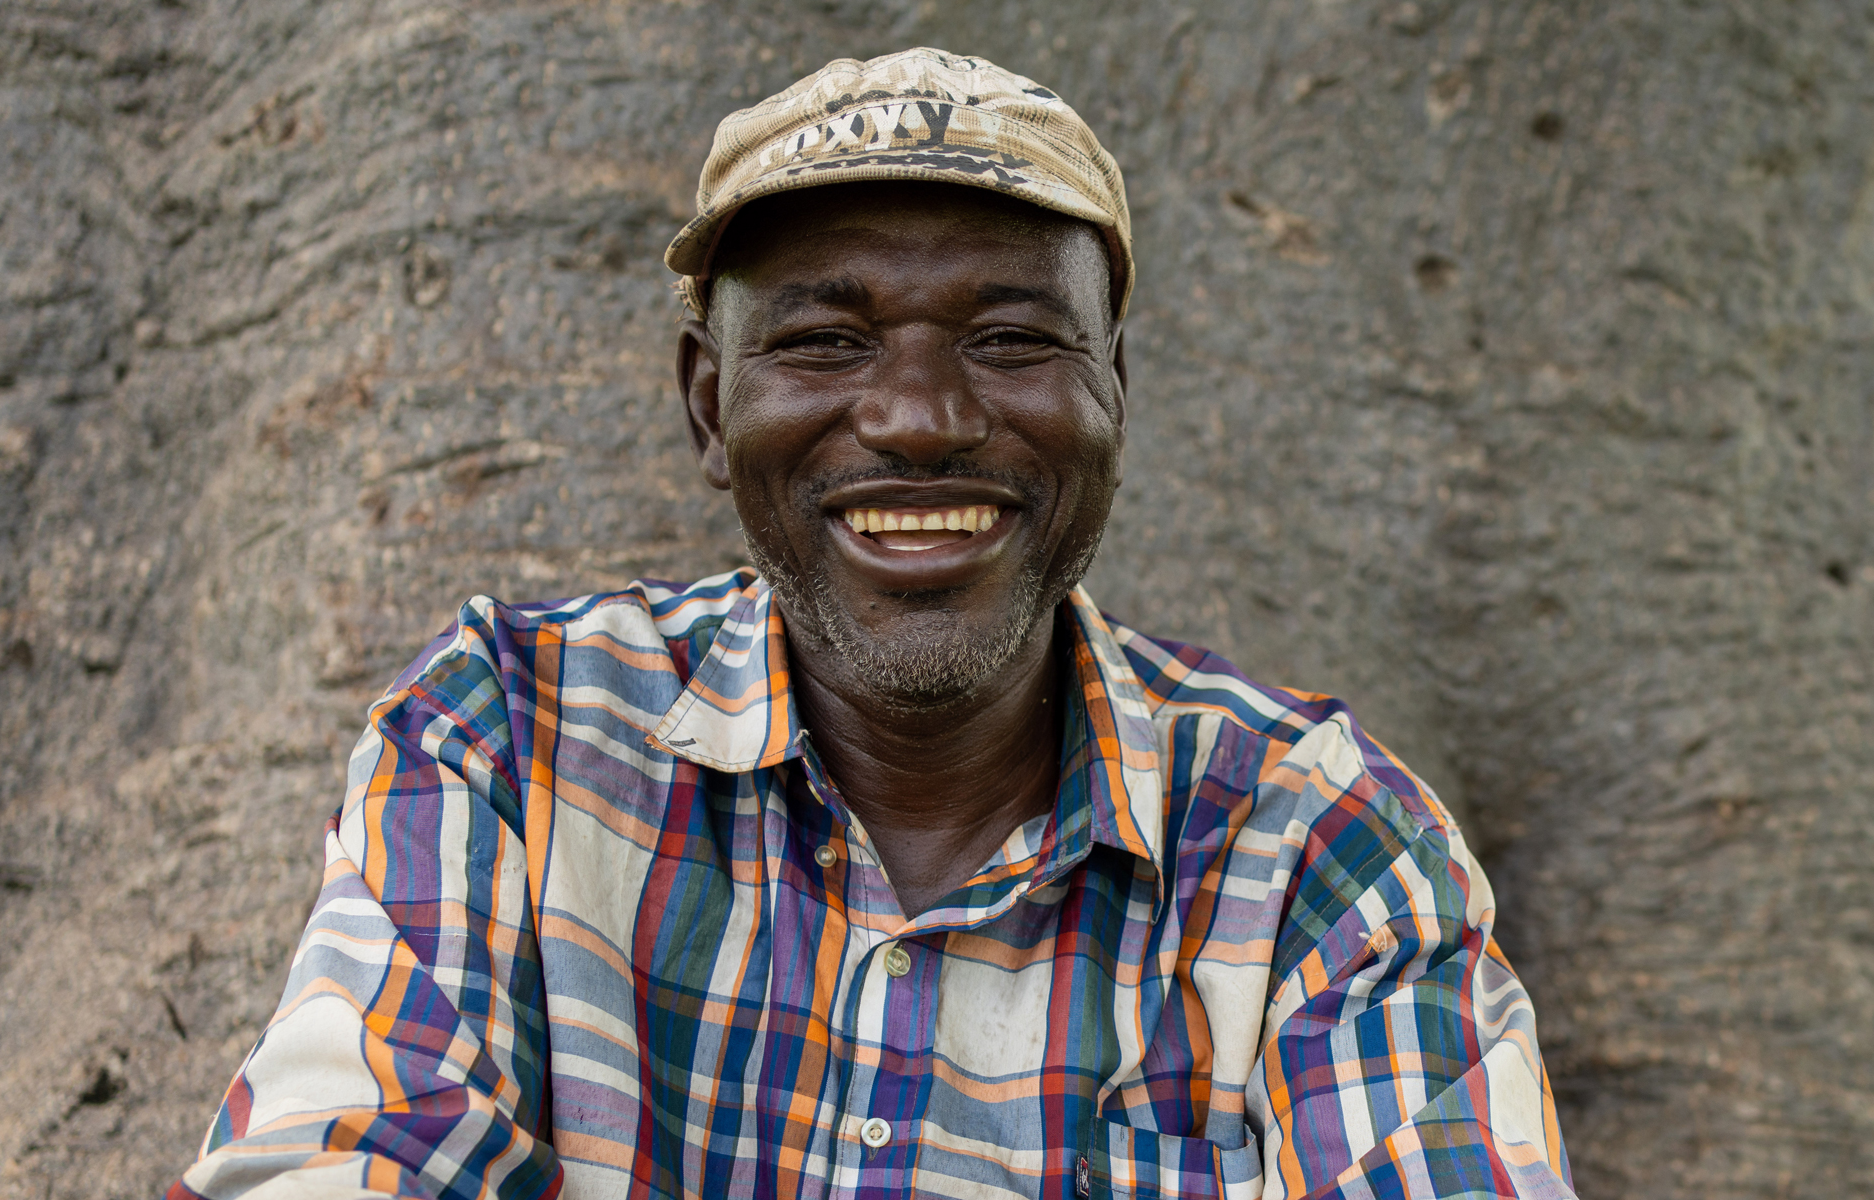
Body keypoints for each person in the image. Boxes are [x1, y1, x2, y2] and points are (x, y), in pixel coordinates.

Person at [171, 47, 1573, 1200]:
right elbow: (338, 1163)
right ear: (710, 406)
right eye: (825, 342)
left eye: (1012, 340)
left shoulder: (1322, 853)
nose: (919, 418)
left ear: (1113, 395)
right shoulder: (510, 743)